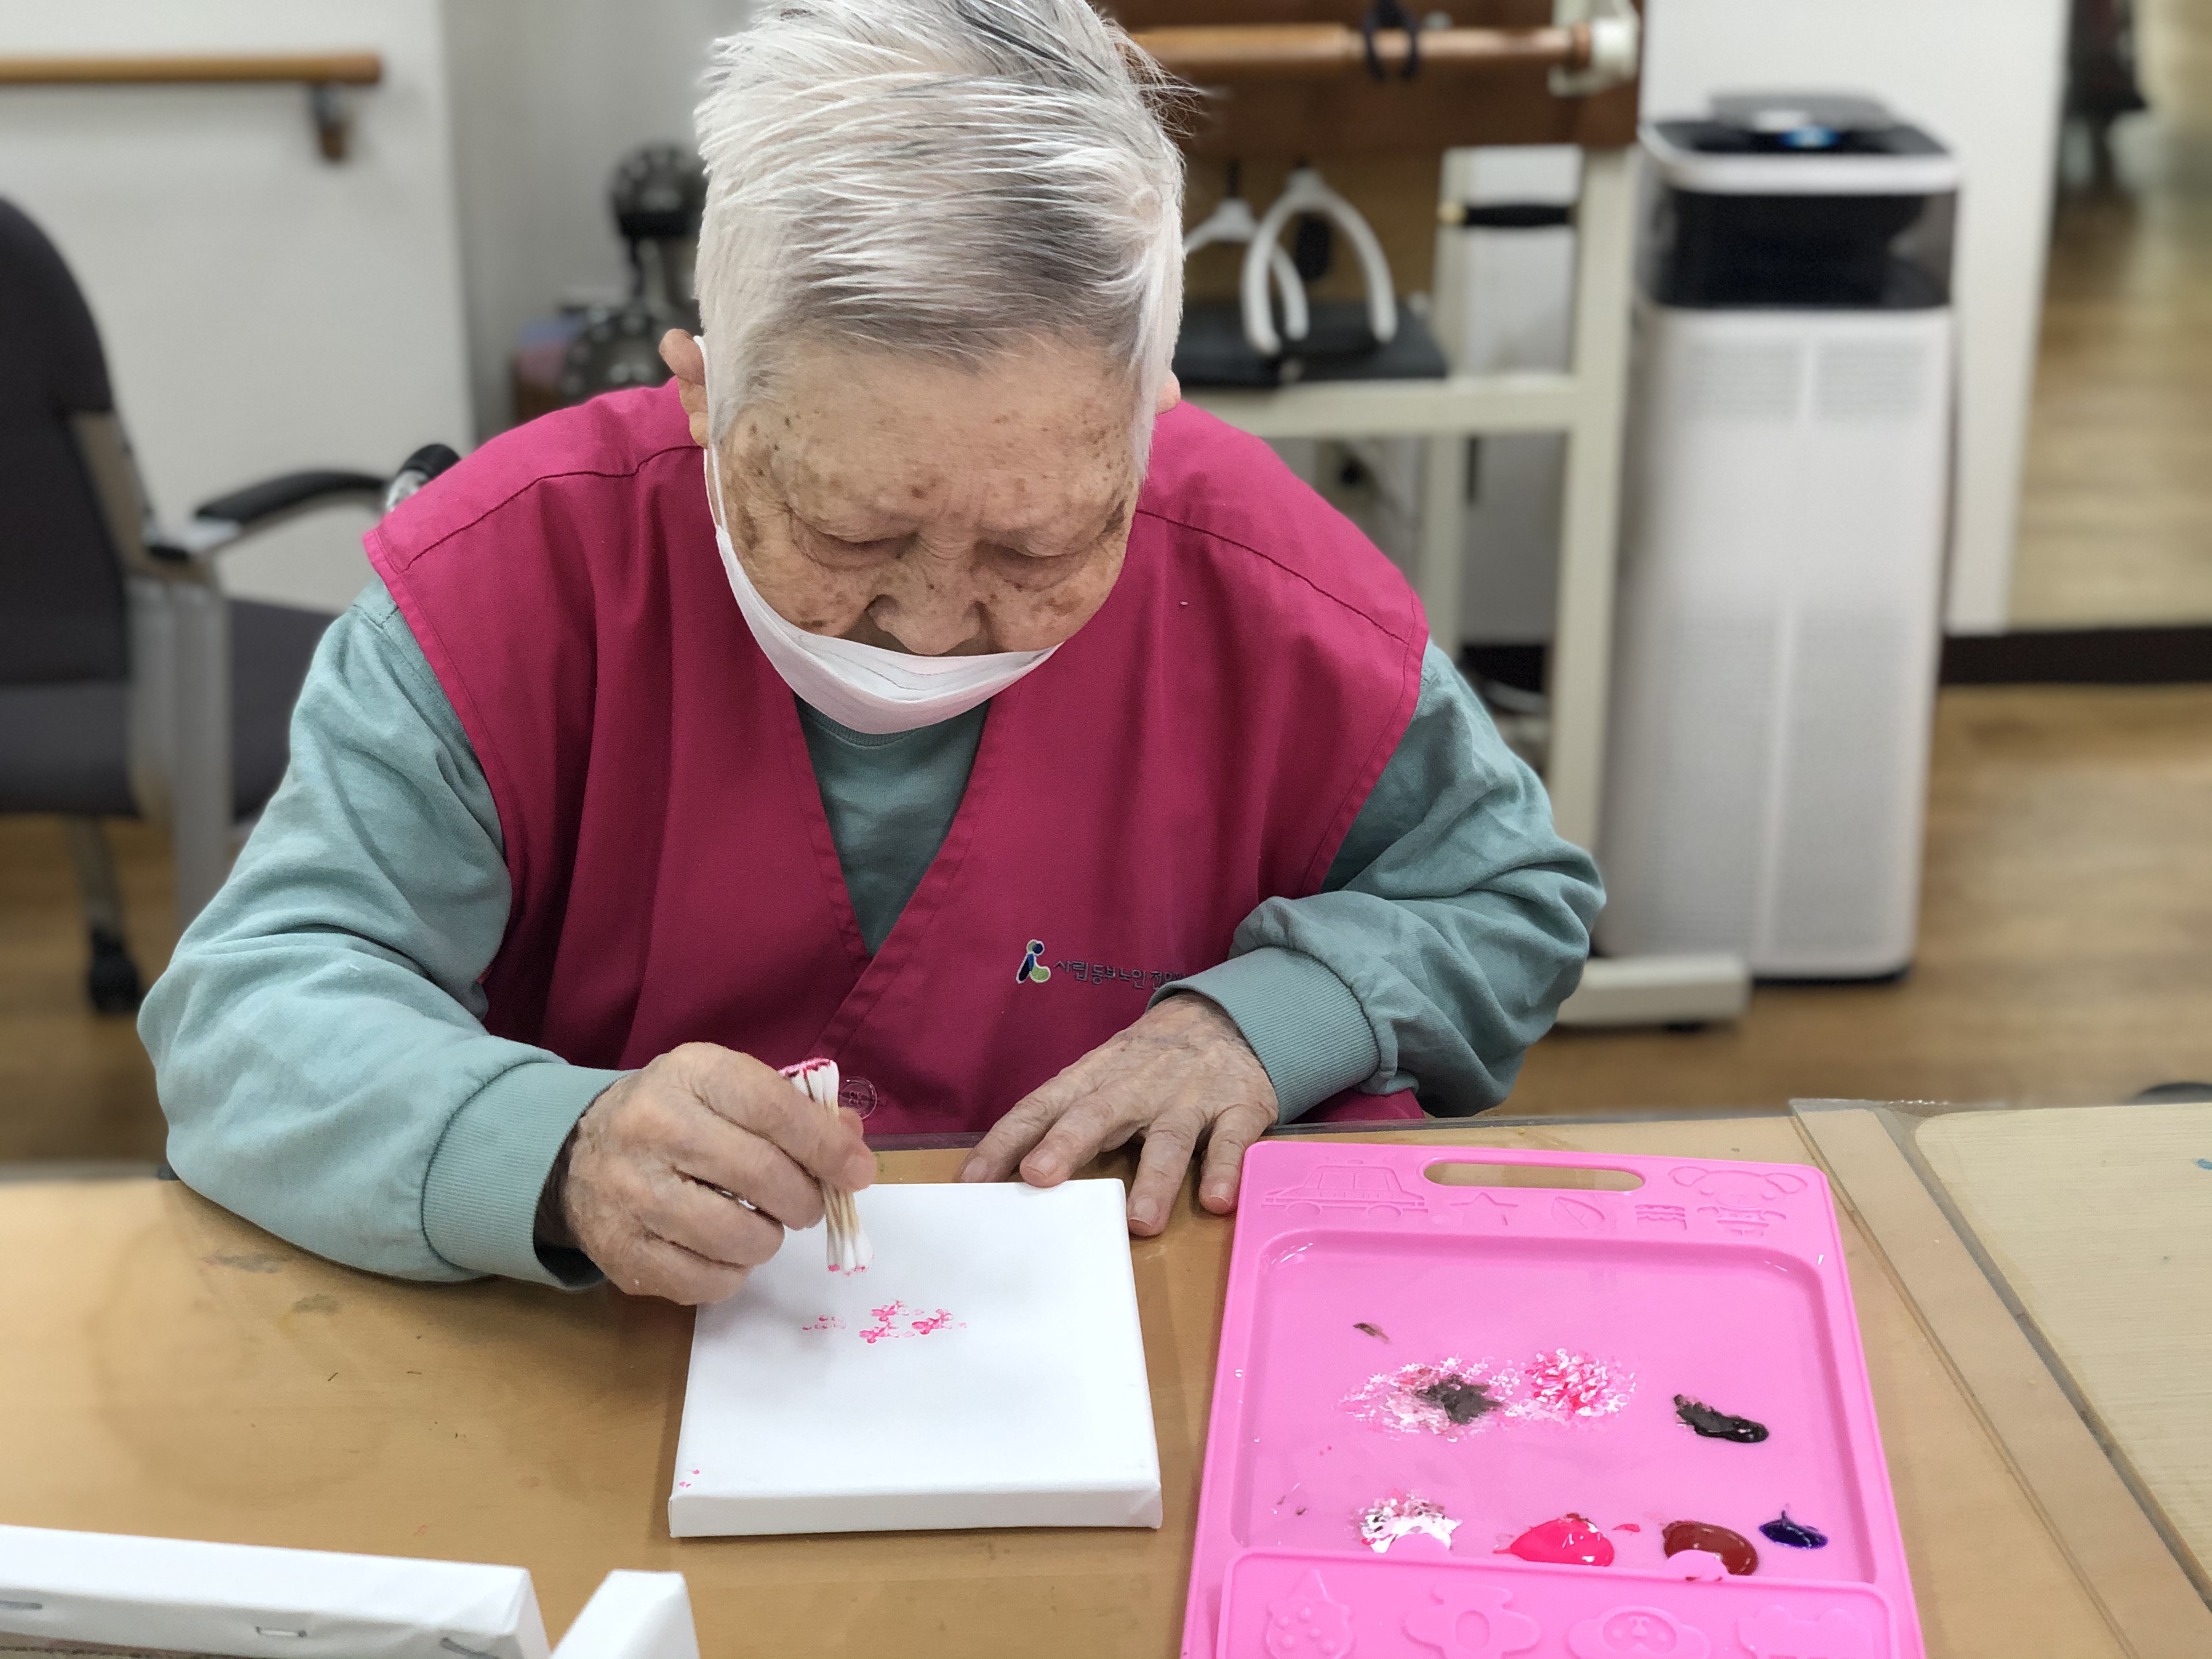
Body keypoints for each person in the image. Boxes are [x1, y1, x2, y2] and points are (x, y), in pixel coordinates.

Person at [141, 0, 1601, 1304]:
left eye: (1039, 549)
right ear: (702, 393)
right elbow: (257, 1012)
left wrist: (1264, 1025)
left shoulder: (1265, 585)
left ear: (1150, 418)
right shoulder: (508, 584)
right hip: (609, 1373)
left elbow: (1507, 897)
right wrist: (550, 1148)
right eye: (848, 532)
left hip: (1141, 1350)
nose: (931, 621)